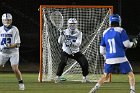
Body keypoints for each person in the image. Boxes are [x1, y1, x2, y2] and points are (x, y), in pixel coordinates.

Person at [89, 14, 137, 93]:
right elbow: (127, 44)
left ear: (110, 22)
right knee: (130, 74)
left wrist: (106, 58)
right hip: (121, 57)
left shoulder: (105, 32)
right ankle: (132, 91)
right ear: (119, 21)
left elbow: (101, 51)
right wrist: (133, 43)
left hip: (109, 58)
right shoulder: (121, 30)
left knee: (105, 76)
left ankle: (94, 89)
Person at [55, 18, 89, 83]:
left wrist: (71, 43)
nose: (72, 25)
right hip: (66, 51)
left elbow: (78, 44)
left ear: (76, 24)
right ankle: (58, 77)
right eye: (71, 24)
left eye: (74, 24)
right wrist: (61, 35)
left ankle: (85, 77)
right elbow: (59, 42)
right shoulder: (64, 32)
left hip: (75, 52)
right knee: (63, 62)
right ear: (68, 24)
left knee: (84, 62)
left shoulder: (79, 33)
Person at [0, 13, 25, 90]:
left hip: (13, 53)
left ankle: (21, 83)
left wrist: (9, 46)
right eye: (5, 20)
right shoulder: (0, 29)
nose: (6, 21)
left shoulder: (14, 29)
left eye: (8, 20)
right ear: (2, 20)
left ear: (11, 20)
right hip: (3, 53)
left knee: (14, 68)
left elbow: (18, 44)